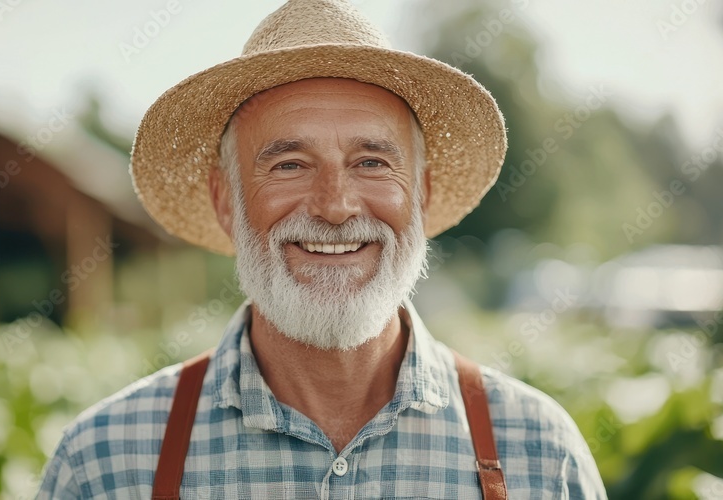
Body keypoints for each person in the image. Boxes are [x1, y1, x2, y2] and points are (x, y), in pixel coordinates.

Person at [37, 0, 607, 498]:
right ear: (225, 200)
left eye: (371, 163)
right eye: (289, 165)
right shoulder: (104, 465)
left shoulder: (540, 455)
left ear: (423, 195)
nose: (335, 206)